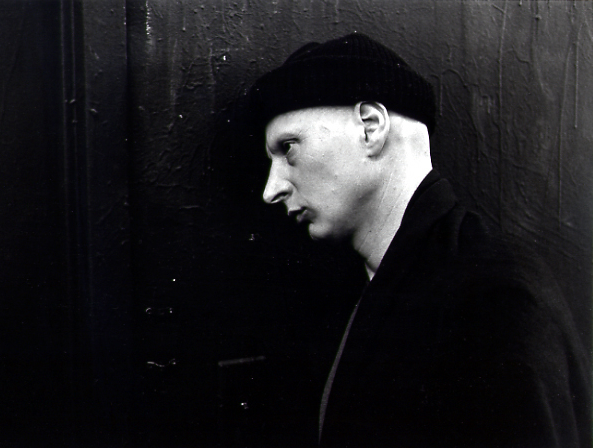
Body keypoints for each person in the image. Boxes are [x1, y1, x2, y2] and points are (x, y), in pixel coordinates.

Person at [246, 33, 591, 447]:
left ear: (370, 126)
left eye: (288, 148)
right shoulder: (384, 282)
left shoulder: (492, 298)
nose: (272, 189)